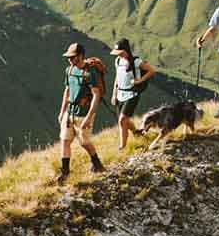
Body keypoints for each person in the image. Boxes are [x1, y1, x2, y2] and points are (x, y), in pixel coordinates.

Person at [56, 43, 106, 184]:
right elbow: (67, 91)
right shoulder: (69, 70)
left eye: (73, 57)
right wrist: (62, 111)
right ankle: (65, 173)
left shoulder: (90, 73)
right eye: (69, 57)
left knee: (84, 142)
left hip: (83, 113)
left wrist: (89, 118)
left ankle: (97, 164)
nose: (70, 60)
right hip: (69, 113)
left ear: (81, 56)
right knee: (65, 141)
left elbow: (96, 95)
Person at [110, 38, 156, 151]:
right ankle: (136, 132)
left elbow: (151, 70)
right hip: (120, 94)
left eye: (120, 53)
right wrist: (114, 94)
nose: (118, 55)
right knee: (124, 120)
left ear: (126, 50)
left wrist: (140, 81)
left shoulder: (135, 61)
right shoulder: (118, 61)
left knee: (122, 119)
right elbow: (117, 77)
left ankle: (122, 147)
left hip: (132, 94)